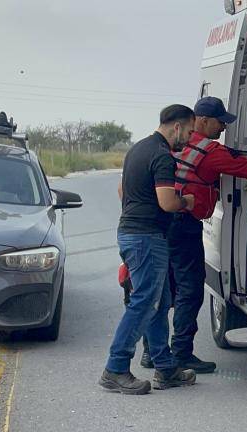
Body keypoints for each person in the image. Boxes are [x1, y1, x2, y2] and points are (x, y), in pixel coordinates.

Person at [167, 96, 247, 374]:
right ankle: (180, 354)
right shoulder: (210, 152)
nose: (223, 128)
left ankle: (153, 352)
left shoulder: (178, 144)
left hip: (167, 225)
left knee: (166, 288)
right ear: (203, 120)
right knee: (191, 290)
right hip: (186, 225)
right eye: (220, 122)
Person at [99, 104, 197, 395]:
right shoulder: (162, 156)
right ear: (176, 127)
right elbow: (167, 202)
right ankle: (115, 368)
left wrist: (137, 206)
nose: (189, 139)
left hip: (132, 233)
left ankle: (165, 368)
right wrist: (186, 202)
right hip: (146, 238)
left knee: (160, 300)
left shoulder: (137, 149)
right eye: (189, 132)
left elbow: (121, 190)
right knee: (144, 302)